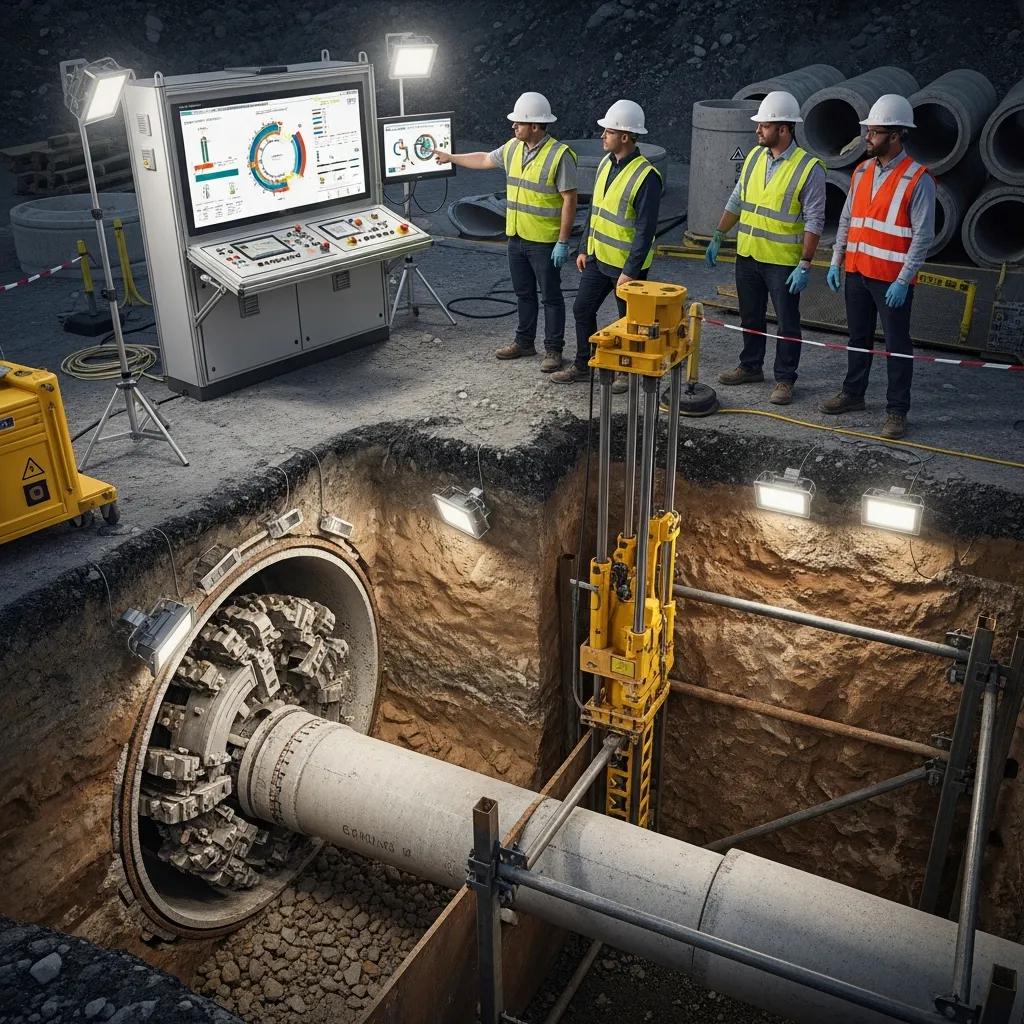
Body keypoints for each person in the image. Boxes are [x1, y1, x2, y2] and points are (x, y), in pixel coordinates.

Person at [435, 93, 577, 372]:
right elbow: (484, 159)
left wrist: (563, 241)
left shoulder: (559, 155)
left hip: (545, 242)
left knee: (550, 296)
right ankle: (524, 342)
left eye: (518, 122)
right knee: (524, 293)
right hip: (516, 237)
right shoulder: (514, 148)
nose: (513, 126)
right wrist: (450, 157)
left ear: (535, 125)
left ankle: (554, 350)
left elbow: (570, 200)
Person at [820, 95, 935, 440]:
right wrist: (836, 259)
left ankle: (897, 411)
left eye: (874, 132)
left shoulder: (918, 179)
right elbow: (847, 218)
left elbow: (922, 237)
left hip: (890, 281)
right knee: (858, 339)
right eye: (868, 130)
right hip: (857, 272)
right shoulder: (862, 171)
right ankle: (853, 394)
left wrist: (903, 280)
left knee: (897, 345)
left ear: (896, 135)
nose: (867, 137)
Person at [706, 91, 825, 406]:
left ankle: (785, 379)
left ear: (783, 129)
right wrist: (719, 233)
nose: (757, 130)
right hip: (748, 255)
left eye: (764, 125)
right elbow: (737, 199)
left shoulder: (808, 168)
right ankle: (751, 366)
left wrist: (805, 263)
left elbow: (815, 220)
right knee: (750, 316)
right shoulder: (755, 157)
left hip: (783, 263)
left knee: (786, 322)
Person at [551, 99, 663, 387]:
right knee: (582, 309)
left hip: (625, 266)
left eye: (608, 132)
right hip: (598, 258)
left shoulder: (647, 177)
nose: (602, 136)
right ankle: (584, 363)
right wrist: (584, 247)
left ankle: (627, 371)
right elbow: (596, 210)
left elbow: (645, 230)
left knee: (629, 322)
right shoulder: (605, 163)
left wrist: (631, 271)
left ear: (625, 136)